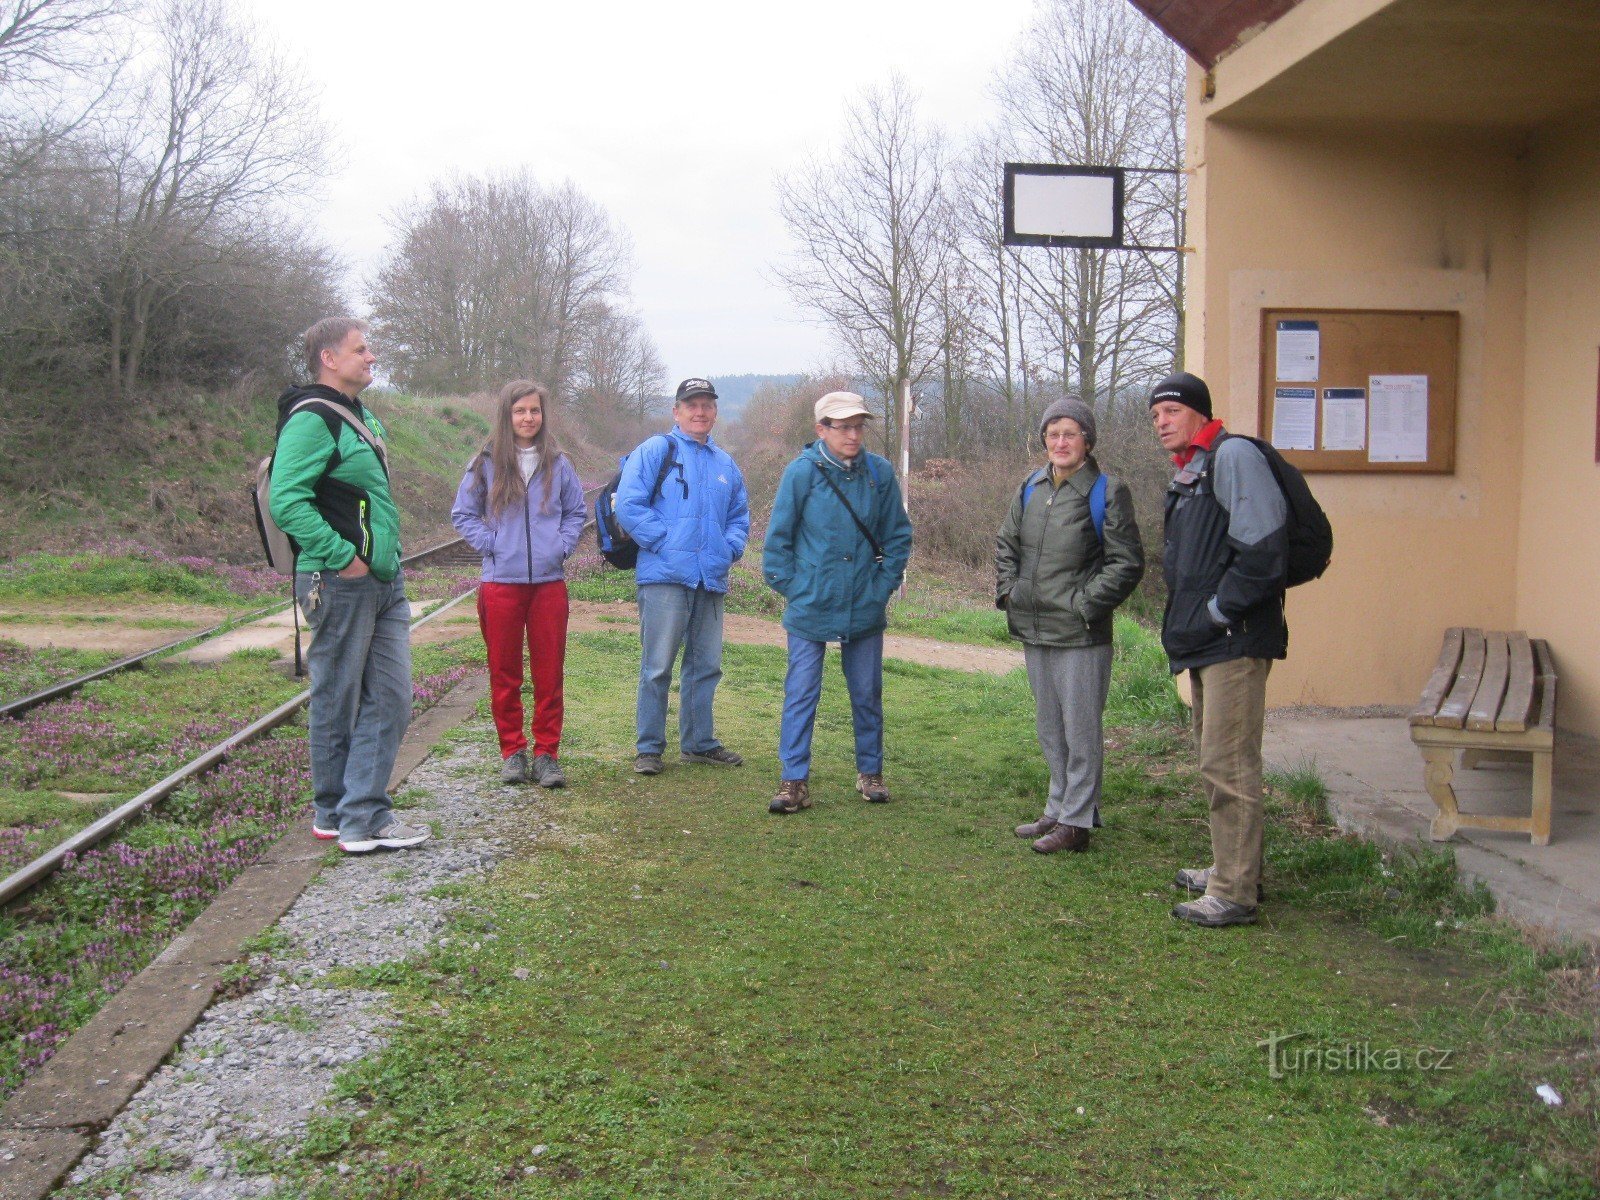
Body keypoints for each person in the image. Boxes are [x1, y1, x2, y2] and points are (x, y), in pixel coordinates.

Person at [269, 318, 428, 855]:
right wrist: (344, 558)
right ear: (328, 358)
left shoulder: (360, 414)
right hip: (338, 579)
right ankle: (348, 815)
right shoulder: (312, 419)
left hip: (382, 578)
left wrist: (381, 559)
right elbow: (287, 500)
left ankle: (354, 812)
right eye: (361, 349)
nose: (371, 357)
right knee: (337, 696)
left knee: (391, 696)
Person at [1150, 370, 1288, 927]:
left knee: (1228, 762)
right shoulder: (1194, 470)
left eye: (1172, 411)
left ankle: (1234, 891)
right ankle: (1233, 867)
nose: (1161, 422)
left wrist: (1217, 613)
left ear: (1201, 413)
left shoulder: (1232, 458)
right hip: (1210, 642)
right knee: (1216, 760)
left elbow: (1264, 549)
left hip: (1234, 638)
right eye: (1155, 414)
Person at [996, 396, 1145, 853]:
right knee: (1050, 727)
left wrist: (1084, 605)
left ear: (1087, 440)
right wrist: (1011, 591)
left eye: (1070, 434)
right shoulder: (1031, 486)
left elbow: (1126, 563)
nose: (1060, 442)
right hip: (1035, 625)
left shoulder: (1107, 491)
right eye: (1053, 434)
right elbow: (1007, 544)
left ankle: (1077, 822)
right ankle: (1058, 807)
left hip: (1081, 633)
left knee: (1081, 731)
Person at [761, 391, 914, 815]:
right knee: (801, 692)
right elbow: (777, 542)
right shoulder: (801, 473)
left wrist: (881, 586)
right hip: (810, 602)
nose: (853, 435)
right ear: (821, 429)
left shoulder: (879, 473)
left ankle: (871, 772)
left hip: (864, 601)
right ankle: (793, 781)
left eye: (858, 426)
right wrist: (797, 588)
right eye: (843, 426)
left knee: (866, 692)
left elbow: (898, 535)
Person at [450, 380, 587, 789]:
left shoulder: (558, 463)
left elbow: (576, 512)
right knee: (504, 672)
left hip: (548, 584)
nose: (528, 418)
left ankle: (547, 754)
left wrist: (560, 547)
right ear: (507, 415)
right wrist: (492, 544)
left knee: (549, 673)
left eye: (535, 410)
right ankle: (512, 751)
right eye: (520, 411)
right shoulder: (485, 462)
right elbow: (463, 513)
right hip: (501, 584)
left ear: (543, 415)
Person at [613, 377, 750, 776]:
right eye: (692, 405)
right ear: (676, 411)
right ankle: (649, 748)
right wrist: (665, 541)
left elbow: (739, 516)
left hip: (710, 578)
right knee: (657, 666)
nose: (700, 412)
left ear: (716, 412)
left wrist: (728, 549)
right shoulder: (657, 450)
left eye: (707, 405)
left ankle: (698, 743)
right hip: (664, 576)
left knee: (705, 666)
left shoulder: (726, 465)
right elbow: (629, 504)